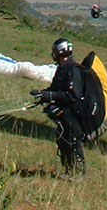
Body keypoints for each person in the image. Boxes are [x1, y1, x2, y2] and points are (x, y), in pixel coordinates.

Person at [30, 38, 87, 180]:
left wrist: (50, 95)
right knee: (63, 140)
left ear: (60, 52)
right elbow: (55, 88)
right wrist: (42, 94)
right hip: (63, 112)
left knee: (72, 141)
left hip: (73, 112)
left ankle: (78, 172)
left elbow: (73, 95)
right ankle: (68, 169)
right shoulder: (62, 69)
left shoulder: (73, 70)